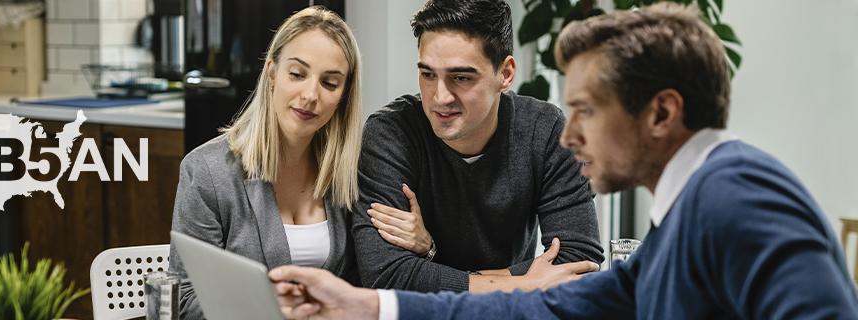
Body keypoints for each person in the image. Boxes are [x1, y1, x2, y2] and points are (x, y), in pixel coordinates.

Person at [269, 3, 858, 319]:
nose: (569, 135)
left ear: (661, 113)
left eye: (586, 111)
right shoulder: (684, 214)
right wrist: (370, 304)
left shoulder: (740, 194)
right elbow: (554, 302)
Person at [166, 6, 431, 319]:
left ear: (343, 95)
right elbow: (184, 301)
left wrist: (425, 245)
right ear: (272, 73)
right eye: (297, 74)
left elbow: (376, 279)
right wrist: (269, 306)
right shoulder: (207, 171)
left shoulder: (351, 172)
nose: (310, 95)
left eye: (329, 83)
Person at [354, 0, 604, 294]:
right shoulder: (392, 132)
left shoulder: (545, 130)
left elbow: (580, 260)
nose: (440, 97)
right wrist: (521, 283)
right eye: (428, 75)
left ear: (505, 74)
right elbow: (385, 274)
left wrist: (431, 255)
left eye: (461, 78)